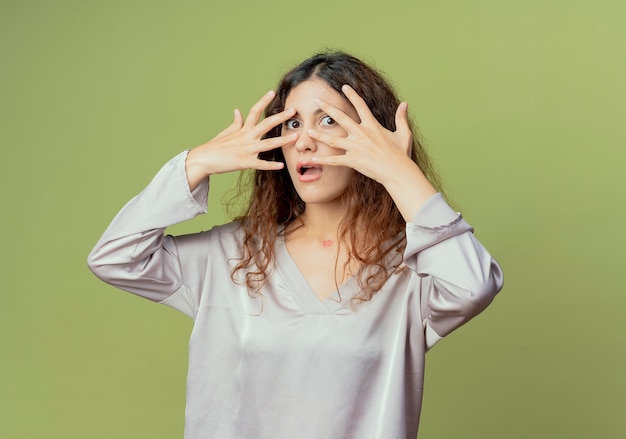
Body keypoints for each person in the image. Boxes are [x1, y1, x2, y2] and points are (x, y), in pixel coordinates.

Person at [88, 52, 504, 439]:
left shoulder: (412, 270)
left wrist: (400, 171)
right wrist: (197, 163)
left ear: (371, 137)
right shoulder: (230, 255)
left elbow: (473, 286)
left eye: (326, 121)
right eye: (291, 123)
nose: (304, 140)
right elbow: (115, 257)